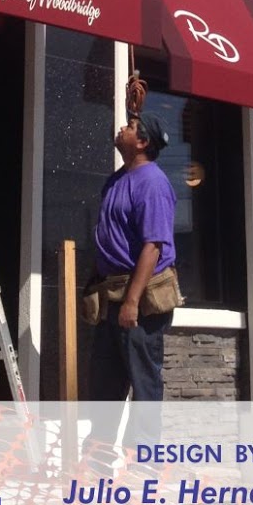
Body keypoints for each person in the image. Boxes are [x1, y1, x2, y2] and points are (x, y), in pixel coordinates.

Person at [86, 112, 180, 441]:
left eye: (130, 127)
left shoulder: (153, 184)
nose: (122, 128)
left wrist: (132, 301)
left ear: (142, 142)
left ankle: (142, 464)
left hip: (138, 300)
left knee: (143, 383)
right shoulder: (116, 180)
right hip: (111, 294)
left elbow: (153, 246)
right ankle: (97, 461)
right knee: (104, 383)